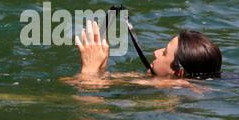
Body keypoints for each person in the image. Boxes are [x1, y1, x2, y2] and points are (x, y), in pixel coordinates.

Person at [65, 20, 222, 91]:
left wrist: (89, 69)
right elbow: (68, 83)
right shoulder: (170, 83)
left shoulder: (171, 97)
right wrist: (99, 70)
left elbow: (87, 112)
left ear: (179, 73)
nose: (155, 52)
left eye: (165, 53)